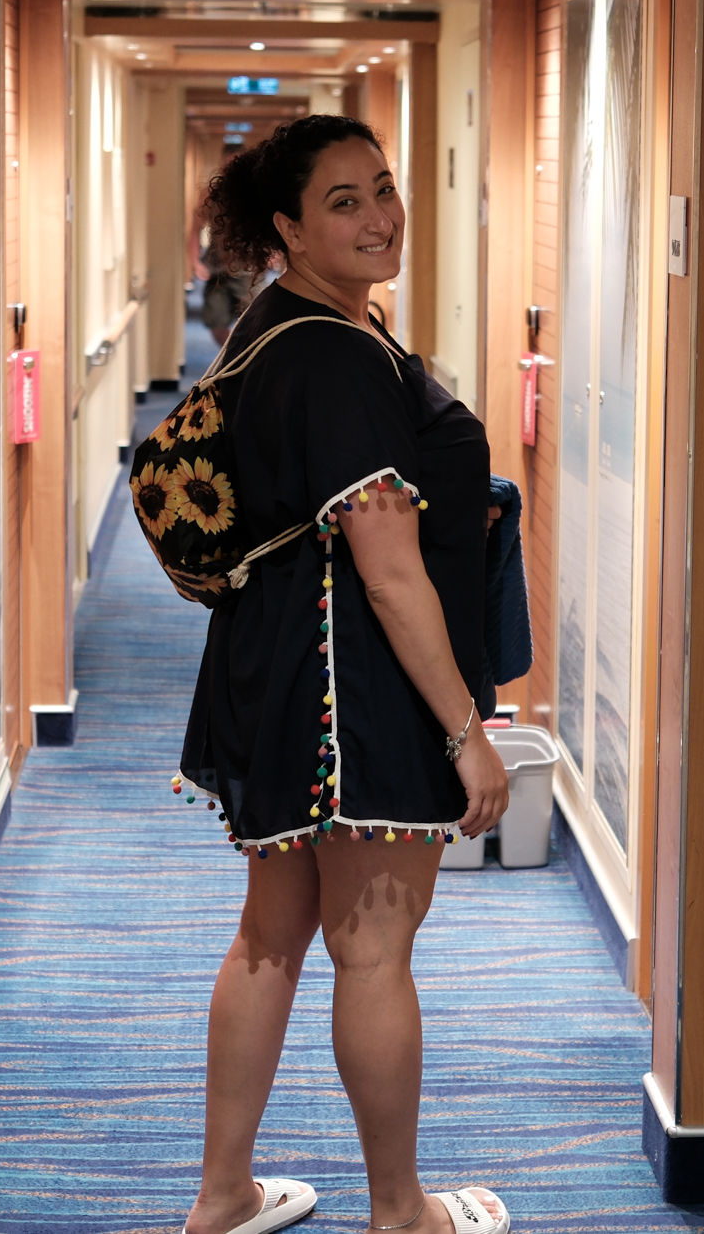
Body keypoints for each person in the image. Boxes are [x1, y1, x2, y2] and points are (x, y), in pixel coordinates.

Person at [174, 114, 513, 1234]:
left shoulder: (279, 327)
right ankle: (400, 1210)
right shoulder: (334, 357)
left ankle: (224, 1196)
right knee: (372, 944)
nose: (379, 217)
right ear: (286, 229)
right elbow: (389, 572)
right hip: (349, 685)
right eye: (342, 202)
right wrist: (464, 726)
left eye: (383, 188)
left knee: (271, 929)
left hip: (276, 668)